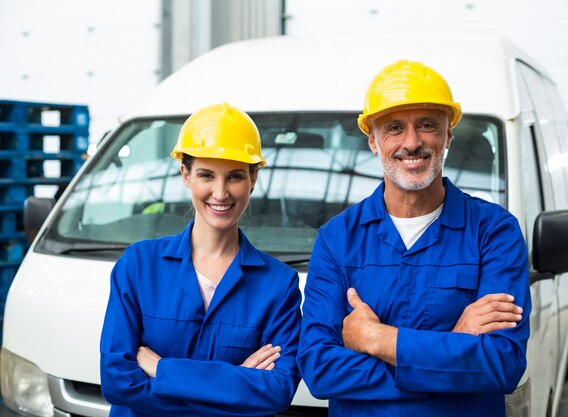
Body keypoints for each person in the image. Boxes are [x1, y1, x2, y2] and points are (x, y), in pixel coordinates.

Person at [297, 60, 531, 416]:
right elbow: (320, 370)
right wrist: (453, 347)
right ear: (373, 141)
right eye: (394, 128)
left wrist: (376, 339)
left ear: (448, 135)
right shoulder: (338, 238)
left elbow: (502, 363)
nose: (412, 142)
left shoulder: (495, 232)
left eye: (427, 125)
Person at [100, 103, 302, 417]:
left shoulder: (278, 285)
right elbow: (117, 382)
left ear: (253, 177)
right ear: (186, 175)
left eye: (234, 176)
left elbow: (277, 390)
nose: (220, 193)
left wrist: (163, 370)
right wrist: (236, 386)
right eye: (206, 175)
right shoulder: (139, 266)